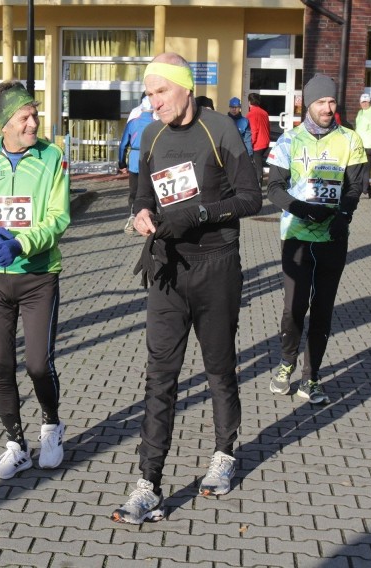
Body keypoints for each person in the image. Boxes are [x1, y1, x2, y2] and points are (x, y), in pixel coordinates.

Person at [111, 53, 262, 525]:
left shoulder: (220, 130)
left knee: (218, 367)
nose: (152, 103)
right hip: (167, 269)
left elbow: (251, 197)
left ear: (184, 88)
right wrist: (139, 213)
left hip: (215, 266)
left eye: (160, 92)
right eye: (148, 94)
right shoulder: (150, 133)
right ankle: (148, 484)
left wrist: (199, 214)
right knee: (160, 375)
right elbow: (141, 192)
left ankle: (224, 453)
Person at [0, 80, 70, 480]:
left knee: (38, 364)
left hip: (38, 277)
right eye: (25, 117)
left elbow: (58, 218)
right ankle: (16, 445)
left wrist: (22, 244)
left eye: (35, 114)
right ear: (5, 124)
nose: (34, 122)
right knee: (0, 364)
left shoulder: (51, 158)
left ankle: (52, 426)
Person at [265, 74, 367, 405]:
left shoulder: (350, 140)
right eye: (321, 101)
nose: (327, 107)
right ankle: (286, 362)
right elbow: (274, 189)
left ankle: (312, 377)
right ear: (308, 103)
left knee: (323, 309)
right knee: (294, 307)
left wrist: (343, 216)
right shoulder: (288, 141)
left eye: (331, 101)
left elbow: (354, 187)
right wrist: (303, 210)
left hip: (333, 238)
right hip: (296, 235)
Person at [118, 96, 155, 234]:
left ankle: (133, 216)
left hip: (134, 161)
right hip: (151, 161)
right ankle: (150, 218)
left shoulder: (132, 123)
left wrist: (121, 163)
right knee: (149, 191)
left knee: (134, 192)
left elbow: (123, 145)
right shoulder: (156, 123)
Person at [355, 93, 371, 198]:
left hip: (368, 146)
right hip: (359, 145)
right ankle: (368, 190)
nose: (364, 104)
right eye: (362, 102)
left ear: (370, 102)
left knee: (365, 170)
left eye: (366, 102)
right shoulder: (360, 113)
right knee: (360, 169)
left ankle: (364, 192)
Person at [246, 93, 271, 186]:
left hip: (257, 144)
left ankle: (257, 184)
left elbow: (253, 130)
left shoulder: (251, 114)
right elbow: (268, 127)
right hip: (265, 142)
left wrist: (250, 143)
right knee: (259, 163)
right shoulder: (264, 112)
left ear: (249, 102)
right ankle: (258, 181)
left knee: (257, 165)